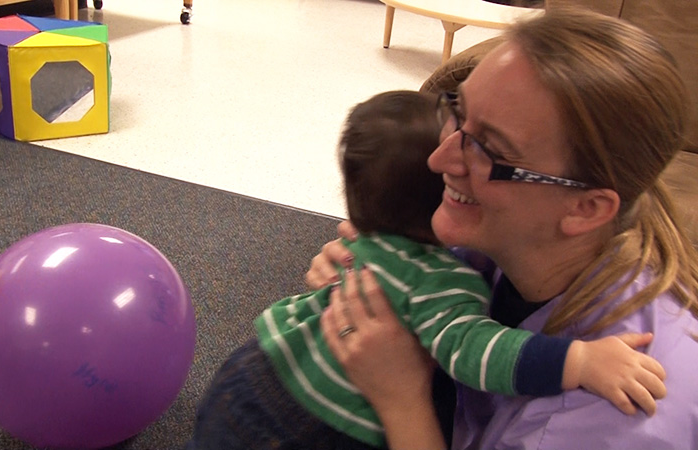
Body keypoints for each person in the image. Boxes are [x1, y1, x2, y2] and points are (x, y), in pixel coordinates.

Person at [185, 91, 665, 449]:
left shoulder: (371, 241)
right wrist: (578, 361)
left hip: (254, 367)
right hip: (311, 422)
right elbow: (475, 350)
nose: (450, 155)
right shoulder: (440, 280)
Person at [309, 8, 698, 450]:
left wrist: (401, 398)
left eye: (489, 148)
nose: (439, 160)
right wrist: (371, 282)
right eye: (457, 110)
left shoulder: (606, 423)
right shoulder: (516, 243)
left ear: (587, 207)